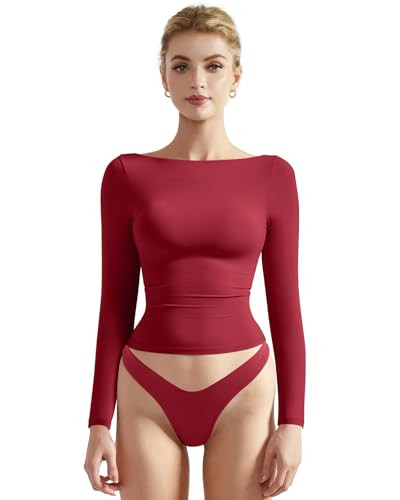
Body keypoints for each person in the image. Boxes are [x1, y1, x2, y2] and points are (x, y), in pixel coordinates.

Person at [84, 5, 306, 499]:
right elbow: (114, 305)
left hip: (243, 387)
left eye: (214, 65)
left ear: (236, 76)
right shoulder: (126, 175)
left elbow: (286, 309)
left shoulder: (273, 176)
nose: (197, 81)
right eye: (181, 65)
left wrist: (293, 422)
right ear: (163, 76)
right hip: (147, 387)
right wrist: (99, 420)